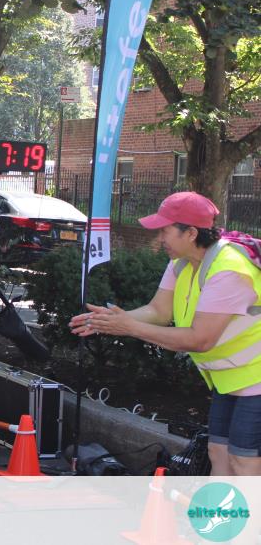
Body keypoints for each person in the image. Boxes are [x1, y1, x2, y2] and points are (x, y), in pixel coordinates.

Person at [70, 191, 261, 476]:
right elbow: (158, 311)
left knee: (244, 462)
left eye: (165, 230)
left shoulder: (229, 270)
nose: (159, 238)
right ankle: (220, 507)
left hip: (256, 379)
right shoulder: (181, 262)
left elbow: (199, 339)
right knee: (218, 453)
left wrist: (129, 327)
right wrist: (108, 321)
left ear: (191, 233)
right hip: (233, 379)